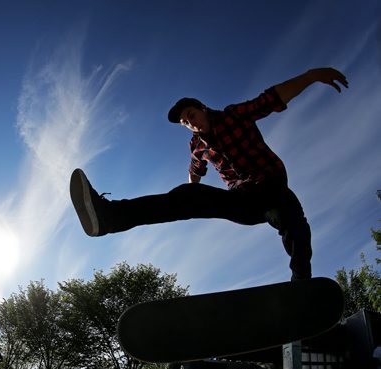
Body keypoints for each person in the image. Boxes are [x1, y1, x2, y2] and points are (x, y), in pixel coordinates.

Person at [70, 68, 348, 280]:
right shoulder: (196, 147)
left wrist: (312, 76)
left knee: (293, 223)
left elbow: (269, 100)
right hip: (241, 202)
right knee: (185, 195)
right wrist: (191, 194)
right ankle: (107, 218)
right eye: (185, 122)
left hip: (272, 189)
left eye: (191, 114)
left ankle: (302, 286)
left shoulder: (233, 115)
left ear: (202, 108)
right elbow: (195, 173)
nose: (190, 123)